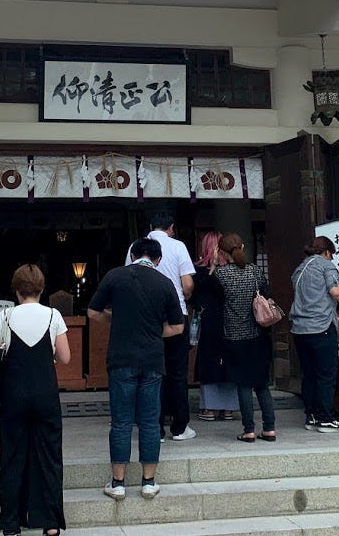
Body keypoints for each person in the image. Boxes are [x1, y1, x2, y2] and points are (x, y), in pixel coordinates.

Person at [90, 237, 185, 501]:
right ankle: (148, 481)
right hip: (153, 359)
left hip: (121, 357)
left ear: (132, 255)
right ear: (158, 259)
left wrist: (116, 319)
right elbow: (178, 327)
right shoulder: (165, 283)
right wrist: (154, 333)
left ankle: (118, 483)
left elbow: (93, 312)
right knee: (150, 421)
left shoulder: (115, 276)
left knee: (121, 421)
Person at [0, 264, 69, 536]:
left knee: (12, 456)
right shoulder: (53, 315)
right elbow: (65, 357)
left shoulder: (6, 316)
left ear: (16, 289)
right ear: (41, 288)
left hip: (14, 394)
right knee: (49, 456)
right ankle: (50, 522)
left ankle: (11, 523)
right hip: (46, 393)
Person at [125, 210, 197, 441]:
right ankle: (180, 426)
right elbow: (187, 285)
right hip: (175, 316)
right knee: (177, 373)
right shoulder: (178, 246)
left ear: (150, 224)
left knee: (150, 373)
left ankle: (154, 427)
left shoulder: (135, 247)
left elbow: (129, 277)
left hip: (144, 316)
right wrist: (183, 297)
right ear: (171, 227)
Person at [290, 235, 339, 433]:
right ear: (328, 252)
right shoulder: (325, 265)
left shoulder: (300, 268)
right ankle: (326, 418)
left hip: (299, 328)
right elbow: (335, 291)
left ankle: (311, 416)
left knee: (309, 374)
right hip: (320, 327)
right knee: (326, 375)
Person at [213, 233, 275, 443]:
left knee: (243, 385)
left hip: (233, 336)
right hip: (258, 334)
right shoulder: (256, 271)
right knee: (262, 384)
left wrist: (213, 264)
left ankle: (248, 429)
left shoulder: (220, 275)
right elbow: (267, 296)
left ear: (221, 252)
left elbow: (211, 299)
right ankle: (269, 428)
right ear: (243, 245)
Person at [192, 231, 238, 421]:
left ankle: (209, 407)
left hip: (208, 321)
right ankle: (229, 408)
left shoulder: (197, 272)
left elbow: (192, 297)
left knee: (209, 361)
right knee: (229, 360)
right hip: (230, 321)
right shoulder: (232, 271)